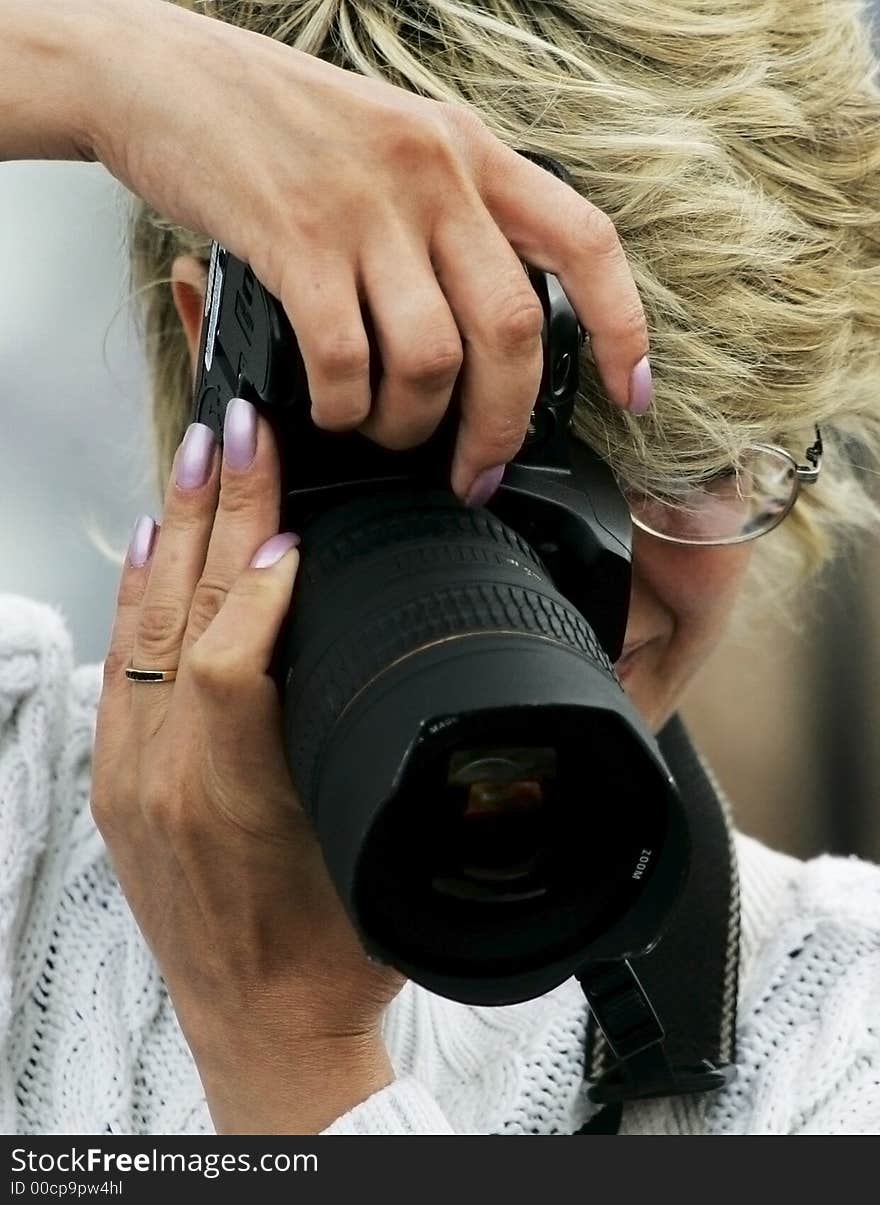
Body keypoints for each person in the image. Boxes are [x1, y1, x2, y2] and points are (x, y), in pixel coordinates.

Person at [2, 0, 880, 1135]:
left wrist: (288, 1054)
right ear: (221, 359)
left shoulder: (829, 1027)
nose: (599, 589)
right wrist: (99, 66)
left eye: (706, 461)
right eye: (500, 447)